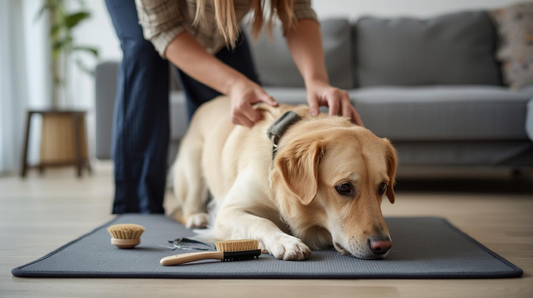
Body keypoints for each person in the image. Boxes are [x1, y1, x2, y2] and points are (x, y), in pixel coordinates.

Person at [106, 0, 364, 214]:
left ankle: (225, 204)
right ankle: (136, 210)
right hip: (147, 14)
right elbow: (164, 29)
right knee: (144, 55)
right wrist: (232, 84)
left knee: (246, 117)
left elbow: (297, 11)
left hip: (219, 21)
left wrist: (316, 80)